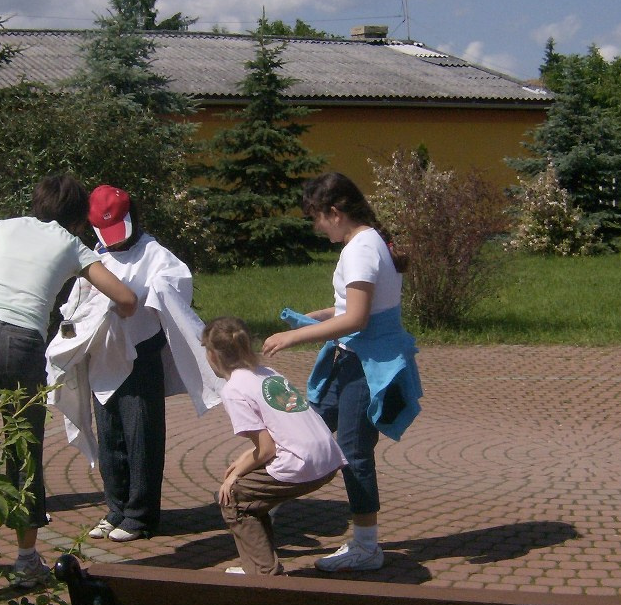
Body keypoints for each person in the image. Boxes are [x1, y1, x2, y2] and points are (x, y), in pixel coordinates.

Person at [0, 175, 137, 586]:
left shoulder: (4, 226)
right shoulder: (72, 245)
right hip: (22, 343)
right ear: (79, 217)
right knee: (23, 449)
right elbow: (126, 298)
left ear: (37, 203)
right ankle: (26, 560)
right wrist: (120, 315)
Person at [262, 172, 422, 573]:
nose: (316, 226)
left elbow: (356, 318)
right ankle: (264, 510)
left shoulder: (360, 249)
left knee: (353, 453)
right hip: (352, 358)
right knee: (306, 430)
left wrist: (293, 338)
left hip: (365, 365)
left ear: (335, 212)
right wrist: (312, 318)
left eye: (316, 217)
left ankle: (367, 546)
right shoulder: (367, 242)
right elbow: (354, 308)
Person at [46, 185, 221, 542]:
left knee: (141, 435)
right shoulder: (95, 254)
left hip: (139, 356)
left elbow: (175, 285)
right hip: (101, 357)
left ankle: (140, 516)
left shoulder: (155, 254)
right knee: (110, 435)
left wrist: (154, 291)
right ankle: (117, 509)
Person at [201, 316, 344, 576]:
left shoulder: (234, 388)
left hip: (302, 463)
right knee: (250, 496)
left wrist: (235, 475)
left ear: (212, 355)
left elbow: (266, 449)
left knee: (233, 498)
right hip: (328, 456)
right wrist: (244, 462)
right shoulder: (267, 374)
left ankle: (264, 574)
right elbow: (277, 432)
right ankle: (258, 564)